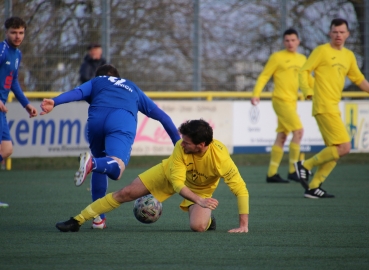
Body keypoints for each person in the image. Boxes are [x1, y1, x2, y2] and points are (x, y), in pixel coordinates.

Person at [40, 64, 180, 228]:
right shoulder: (130, 86)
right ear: (117, 76)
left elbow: (77, 93)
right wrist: (178, 144)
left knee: (101, 164)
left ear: (99, 75)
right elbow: (163, 117)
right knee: (116, 168)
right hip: (120, 120)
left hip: (96, 119)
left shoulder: (96, 82)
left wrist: (55, 102)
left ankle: (98, 219)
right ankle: (93, 163)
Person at [55, 119, 249, 233]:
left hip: (200, 189)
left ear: (201, 145)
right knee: (125, 193)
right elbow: (176, 183)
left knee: (198, 227)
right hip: (166, 174)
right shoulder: (179, 150)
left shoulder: (221, 158)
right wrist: (200, 201)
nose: (182, 144)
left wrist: (243, 225)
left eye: (187, 142)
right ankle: (78, 220)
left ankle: (208, 220)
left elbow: (240, 189)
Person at [297, 18, 369, 199]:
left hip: (333, 106)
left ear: (348, 34)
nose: (338, 35)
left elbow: (359, 79)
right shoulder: (321, 51)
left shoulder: (349, 56)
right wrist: (307, 90)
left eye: (342, 32)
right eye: (335, 32)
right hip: (323, 105)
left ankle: (313, 187)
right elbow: (303, 70)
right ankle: (305, 165)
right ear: (330, 33)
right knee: (344, 147)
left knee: (335, 151)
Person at [251, 28, 314, 184]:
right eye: (287, 40)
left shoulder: (302, 59)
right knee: (299, 132)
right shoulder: (277, 57)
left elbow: (307, 79)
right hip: (280, 100)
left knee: (282, 136)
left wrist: (317, 92)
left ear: (298, 41)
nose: (290, 43)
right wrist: (256, 93)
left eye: (293, 40)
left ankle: (272, 174)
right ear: (283, 42)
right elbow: (264, 76)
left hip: (293, 102)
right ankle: (294, 170)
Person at [0, 17, 38, 207]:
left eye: (21, 32)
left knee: (6, 149)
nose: (17, 36)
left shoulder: (17, 54)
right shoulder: (2, 51)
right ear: (6, 32)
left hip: (2, 109)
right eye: (14, 32)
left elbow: (13, 81)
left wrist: (26, 104)